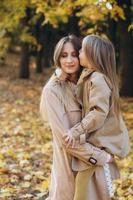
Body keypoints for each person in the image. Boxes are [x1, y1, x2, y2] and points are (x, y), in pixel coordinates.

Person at [40, 35, 113, 200]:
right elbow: (65, 139)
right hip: (70, 165)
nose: (69, 60)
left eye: (74, 54)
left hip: (92, 167)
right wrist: (101, 157)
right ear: (57, 58)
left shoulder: (91, 82)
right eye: (64, 55)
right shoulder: (52, 91)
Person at [64, 35, 130, 200]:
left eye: (81, 50)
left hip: (102, 141)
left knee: (87, 186)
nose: (78, 52)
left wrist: (76, 131)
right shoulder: (91, 76)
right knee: (88, 184)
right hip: (97, 141)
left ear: (92, 55)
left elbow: (98, 113)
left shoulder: (98, 79)